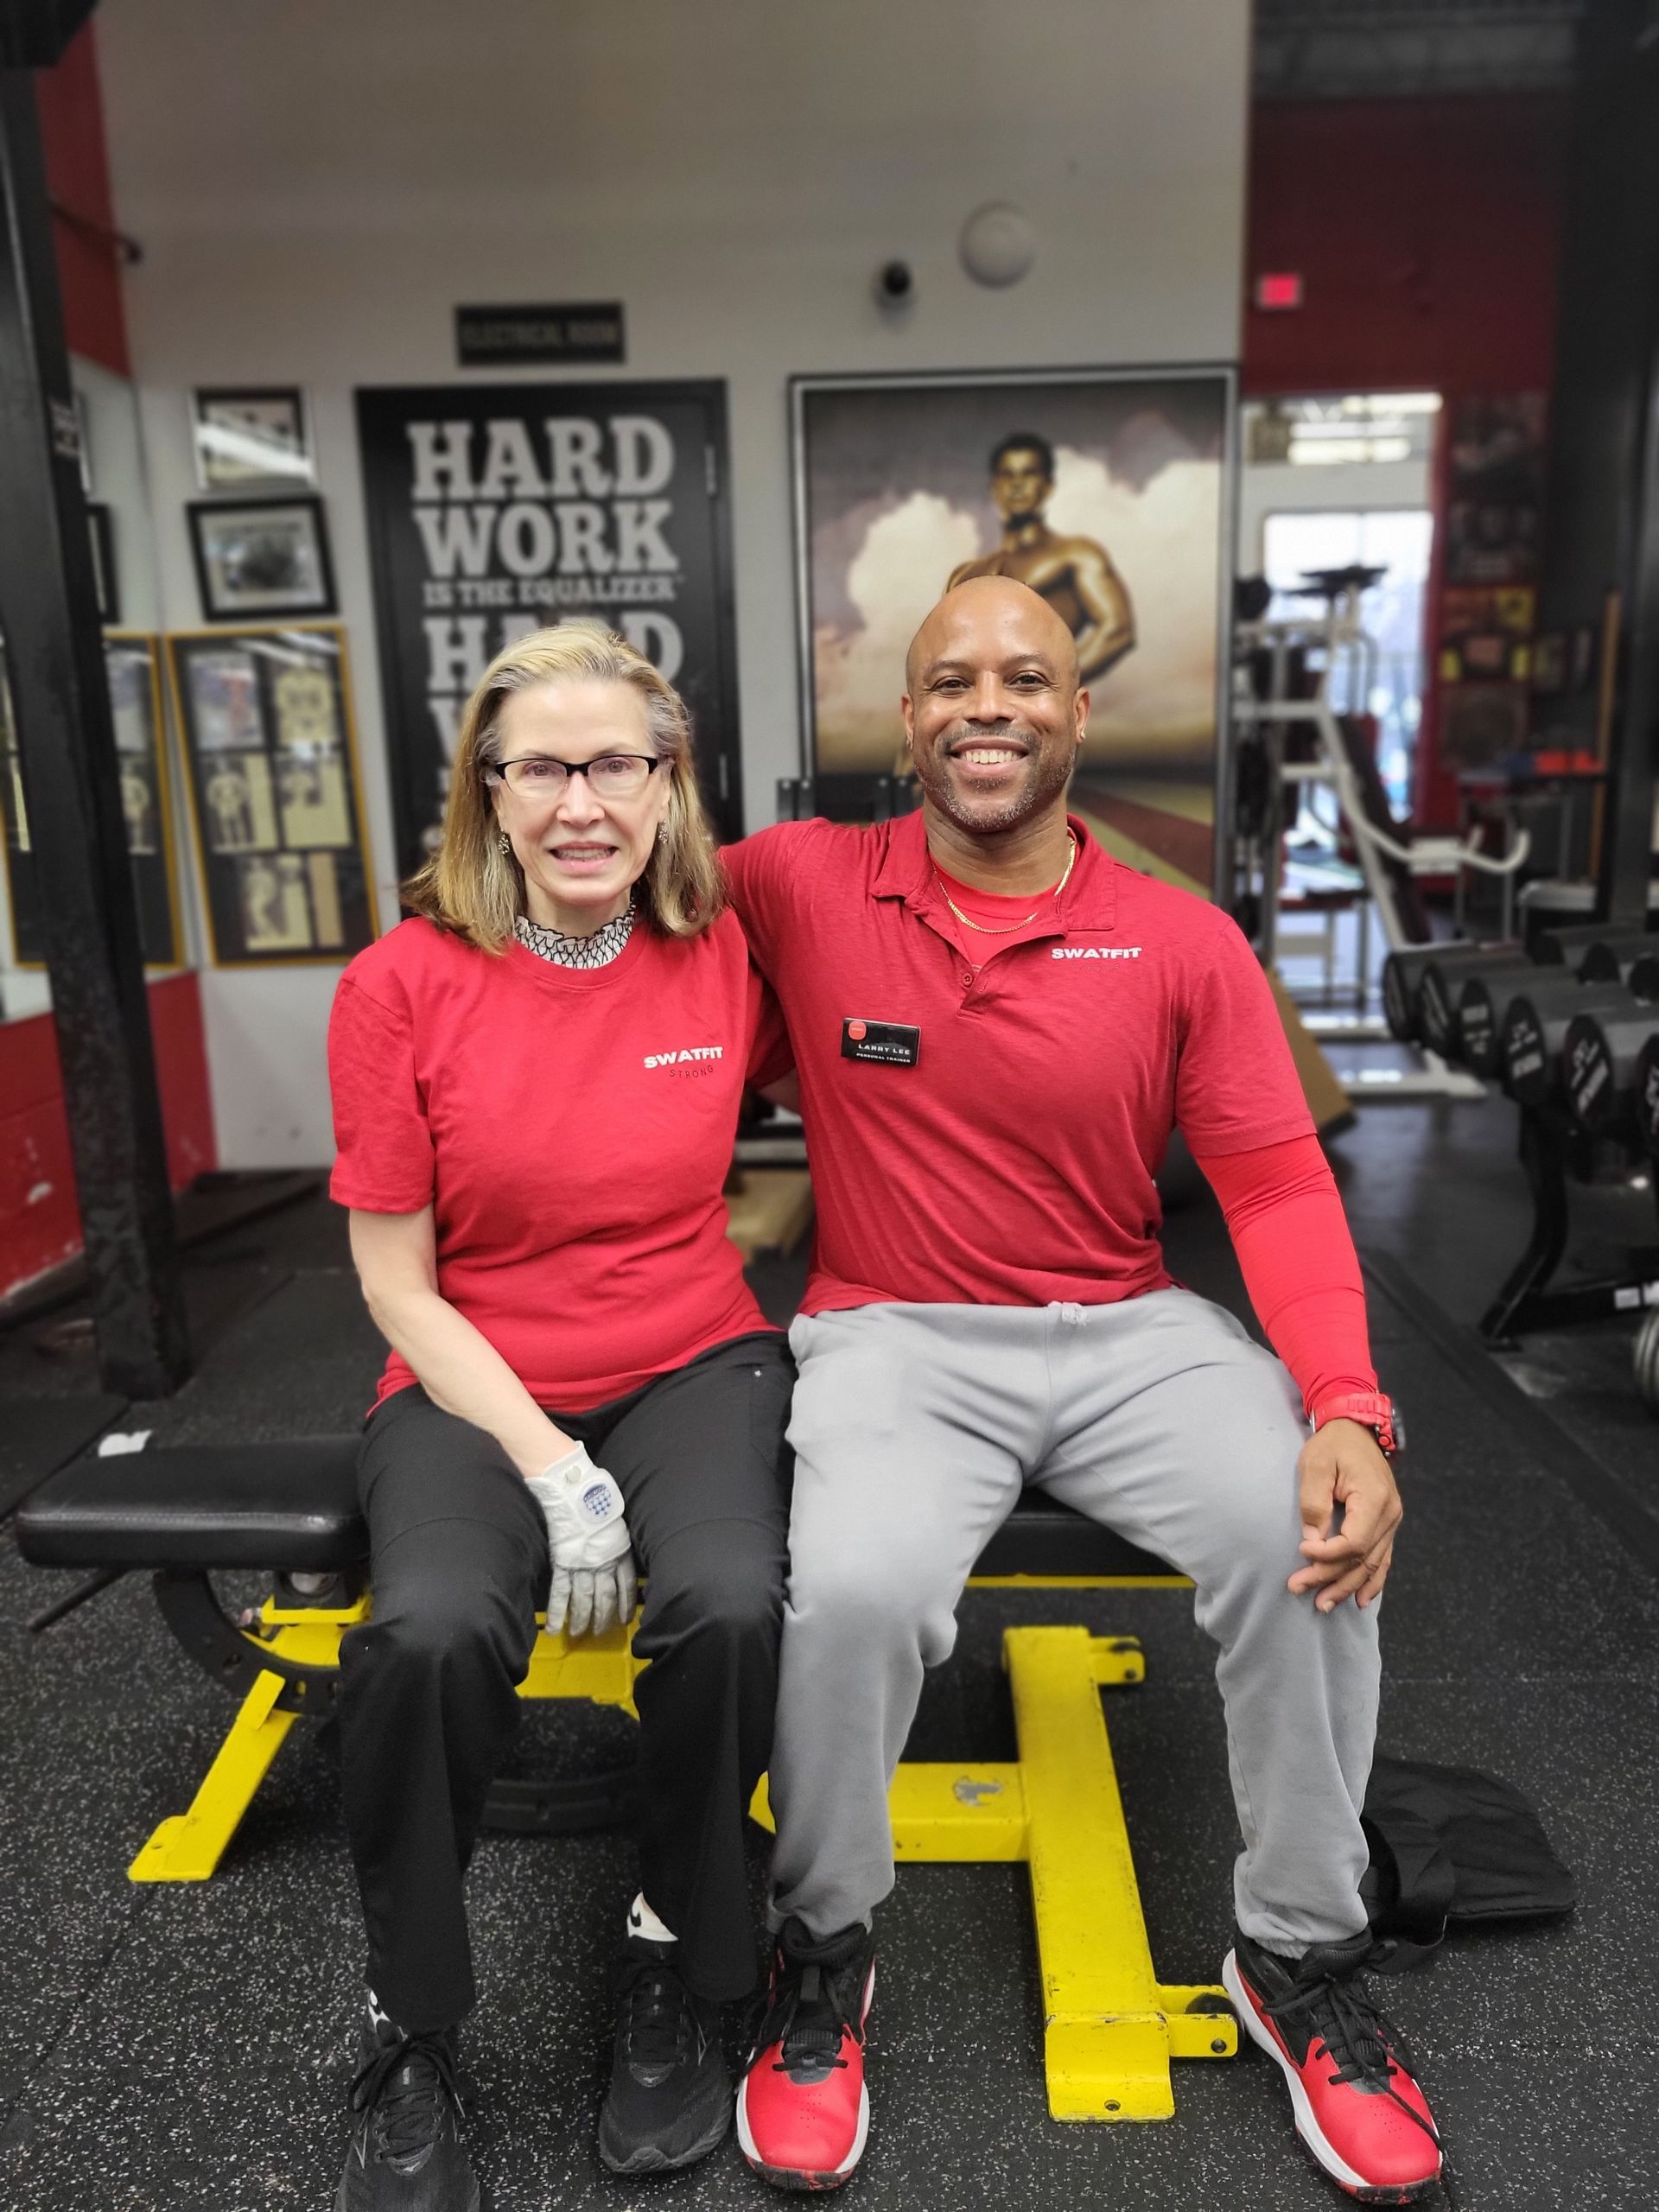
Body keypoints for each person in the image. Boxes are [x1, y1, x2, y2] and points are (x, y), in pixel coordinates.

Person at [722, 576, 1443, 2204]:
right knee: (847, 1589)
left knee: (1308, 1535)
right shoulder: (800, 883)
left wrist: (1344, 1400)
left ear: (1076, 714)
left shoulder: (1179, 934)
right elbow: (603, 893)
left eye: (1027, 677)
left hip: (1126, 1325)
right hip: (896, 1330)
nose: (991, 704)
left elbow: (1271, 1186)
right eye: (953, 680)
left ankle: (1300, 1956)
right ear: (903, 720)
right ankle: (821, 1955)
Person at [326, 622, 794, 2210]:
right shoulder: (401, 983)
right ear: (489, 791)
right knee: (431, 1631)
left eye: (616, 764)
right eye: (542, 767)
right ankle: (412, 2014)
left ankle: (672, 1951)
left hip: (692, 1357)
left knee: (731, 1606)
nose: (580, 802)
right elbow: (395, 1286)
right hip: (470, 1371)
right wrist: (551, 1470)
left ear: (669, 786)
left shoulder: (726, 946)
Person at [948, 431, 1135, 681]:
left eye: (1028, 474)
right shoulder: (964, 575)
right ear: (995, 488)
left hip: (1039, 711)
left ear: (1047, 486)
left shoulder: (1075, 555)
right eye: (1008, 475)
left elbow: (1117, 630)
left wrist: (1052, 685)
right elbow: (946, 648)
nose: (1017, 484)